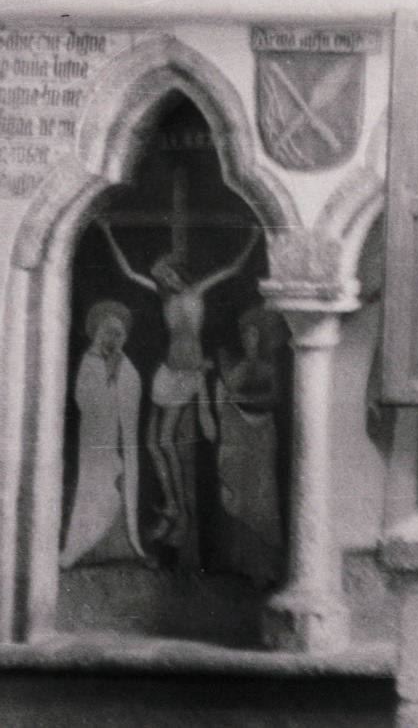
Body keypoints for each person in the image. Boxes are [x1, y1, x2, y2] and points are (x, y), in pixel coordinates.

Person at [97, 221, 260, 547]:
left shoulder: (197, 291)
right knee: (152, 443)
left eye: (168, 274)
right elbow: (128, 272)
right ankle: (172, 504)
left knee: (164, 441)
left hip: (187, 372)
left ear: (177, 272)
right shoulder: (162, 297)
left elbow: (233, 268)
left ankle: (177, 507)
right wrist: (108, 233)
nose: (165, 280)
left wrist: (254, 237)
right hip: (166, 371)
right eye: (161, 277)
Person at [60, 301, 146, 568]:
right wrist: (108, 377)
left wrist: (118, 375)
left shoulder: (124, 363)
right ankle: (85, 548)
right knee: (97, 489)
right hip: (97, 440)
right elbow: (84, 398)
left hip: (121, 439)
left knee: (122, 487)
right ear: (99, 333)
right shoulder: (90, 361)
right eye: (109, 332)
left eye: (118, 333)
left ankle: (121, 548)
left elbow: (133, 388)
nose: (113, 338)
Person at [212, 306, 284, 585]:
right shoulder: (236, 365)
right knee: (238, 492)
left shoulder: (269, 367)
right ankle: (239, 564)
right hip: (239, 432)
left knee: (262, 495)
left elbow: (273, 398)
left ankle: (264, 568)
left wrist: (240, 397)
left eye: (254, 335)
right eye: (245, 334)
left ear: (261, 338)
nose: (248, 339)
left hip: (262, 432)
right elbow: (228, 392)